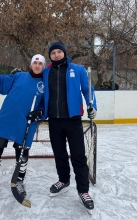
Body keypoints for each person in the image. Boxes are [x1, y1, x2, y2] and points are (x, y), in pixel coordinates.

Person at [0, 54, 46, 203]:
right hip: (7, 118)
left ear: (43, 66)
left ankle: (18, 181)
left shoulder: (45, 84)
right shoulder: (19, 76)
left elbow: (47, 103)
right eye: (35, 62)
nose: (37, 65)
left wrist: (41, 111)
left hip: (27, 123)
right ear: (31, 64)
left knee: (22, 154)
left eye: (40, 63)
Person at [42, 42, 97, 213]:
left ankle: (83, 191)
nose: (57, 55)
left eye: (59, 52)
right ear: (50, 55)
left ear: (64, 53)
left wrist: (92, 105)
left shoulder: (78, 70)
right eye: (53, 52)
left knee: (79, 156)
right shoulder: (46, 72)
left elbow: (88, 90)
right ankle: (63, 180)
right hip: (54, 120)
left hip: (73, 120)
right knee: (59, 154)